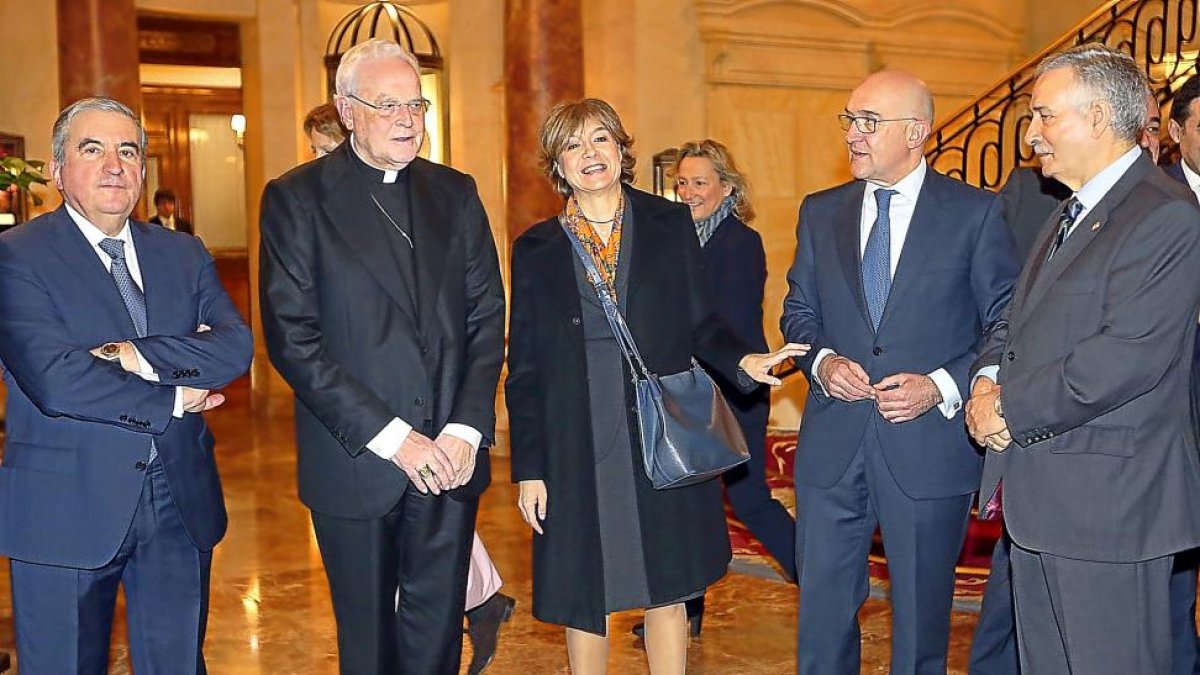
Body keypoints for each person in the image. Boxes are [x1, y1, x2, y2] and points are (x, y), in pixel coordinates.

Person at [506, 98, 807, 674]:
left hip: (656, 427)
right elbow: (525, 367)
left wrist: (747, 361)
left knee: (668, 583)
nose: (589, 154)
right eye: (573, 145)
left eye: (600, 140)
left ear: (621, 150)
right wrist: (531, 467)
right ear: (558, 166)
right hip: (577, 437)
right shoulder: (536, 248)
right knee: (584, 593)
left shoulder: (668, 225)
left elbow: (702, 323)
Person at [259, 39, 506, 674]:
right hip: (359, 458)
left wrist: (465, 428)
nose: (407, 119)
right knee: (368, 648)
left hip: (450, 456)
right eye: (388, 105)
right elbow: (294, 338)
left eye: (416, 105)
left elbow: (486, 315)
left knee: (435, 640)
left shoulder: (455, 192)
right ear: (346, 110)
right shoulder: (297, 198)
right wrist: (395, 439)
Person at [965, 44, 1200, 674]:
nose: (1032, 134)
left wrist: (1007, 409)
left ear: (1097, 117)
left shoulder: (1166, 215)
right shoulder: (1067, 211)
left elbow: (1126, 356)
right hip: (1046, 501)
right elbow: (1018, 322)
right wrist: (987, 381)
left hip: (1110, 510)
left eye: (1044, 116)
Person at [0, 97, 252, 673]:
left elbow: (235, 346)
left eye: (128, 151)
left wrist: (132, 355)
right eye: (93, 149)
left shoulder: (182, 252)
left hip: (179, 498)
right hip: (64, 505)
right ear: (60, 172)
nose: (114, 164)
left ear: (142, 170)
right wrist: (173, 394)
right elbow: (56, 379)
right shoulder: (15, 257)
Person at [780, 70, 1019, 675]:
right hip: (832, 447)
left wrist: (940, 385)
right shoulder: (820, 212)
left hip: (927, 450)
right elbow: (798, 312)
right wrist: (822, 361)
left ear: (917, 133)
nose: (854, 135)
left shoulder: (976, 214)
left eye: (869, 123)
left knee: (919, 627)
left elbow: (1005, 320)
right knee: (823, 618)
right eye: (850, 121)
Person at [631, 139, 797, 640]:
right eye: (681, 182)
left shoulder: (738, 243)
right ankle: (687, 608)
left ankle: (822, 580)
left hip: (732, 388)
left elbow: (729, 324)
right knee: (691, 502)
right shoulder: (677, 241)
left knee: (747, 499)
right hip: (688, 390)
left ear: (727, 188)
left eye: (699, 182)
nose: (687, 192)